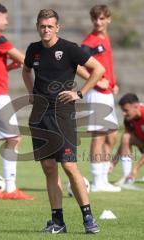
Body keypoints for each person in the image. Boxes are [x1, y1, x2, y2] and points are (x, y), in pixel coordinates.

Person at [22, 9, 105, 234]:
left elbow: (98, 69)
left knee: (69, 166)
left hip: (62, 115)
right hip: (39, 116)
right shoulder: (33, 50)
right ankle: (58, 222)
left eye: (50, 26)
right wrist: (31, 94)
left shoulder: (69, 49)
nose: (46, 30)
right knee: (49, 168)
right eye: (42, 26)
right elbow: (26, 70)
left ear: (57, 27)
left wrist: (80, 93)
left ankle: (88, 217)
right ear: (37, 26)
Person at [0, 2, 33, 200]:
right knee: (14, 138)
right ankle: (11, 188)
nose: (7, 21)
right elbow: (24, 59)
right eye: (5, 18)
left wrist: (10, 67)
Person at [81, 4, 121, 192]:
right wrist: (96, 81)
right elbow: (77, 64)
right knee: (98, 137)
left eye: (102, 18)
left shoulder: (106, 38)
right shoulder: (89, 42)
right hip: (96, 94)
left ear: (108, 19)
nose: (98, 22)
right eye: (95, 19)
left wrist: (112, 83)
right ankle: (97, 181)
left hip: (107, 94)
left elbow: (106, 65)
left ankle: (103, 178)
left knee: (111, 136)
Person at [110, 93, 144, 185]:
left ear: (136, 106)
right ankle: (127, 176)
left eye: (126, 110)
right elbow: (124, 143)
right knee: (126, 137)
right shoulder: (128, 119)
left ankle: (131, 173)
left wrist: (135, 169)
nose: (123, 113)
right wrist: (113, 163)